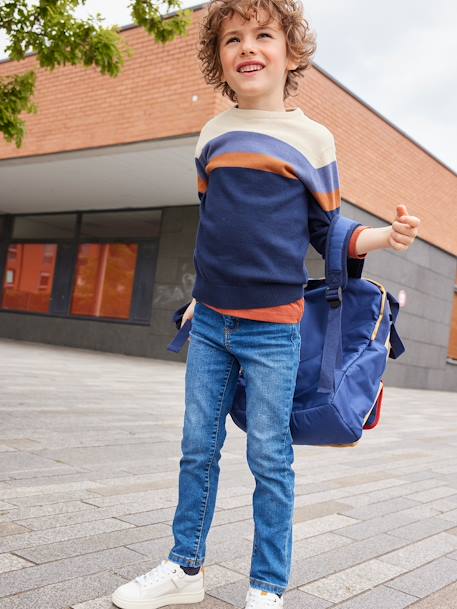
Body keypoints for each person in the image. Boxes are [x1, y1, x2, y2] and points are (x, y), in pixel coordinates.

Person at [112, 0, 420, 607]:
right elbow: (217, 226)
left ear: (291, 53)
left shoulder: (314, 138)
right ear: (219, 61)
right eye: (232, 39)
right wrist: (202, 295)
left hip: (275, 330)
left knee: (269, 457)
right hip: (210, 325)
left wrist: (384, 237)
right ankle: (185, 569)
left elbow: (326, 231)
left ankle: (267, 585)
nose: (247, 47)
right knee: (197, 448)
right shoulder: (213, 133)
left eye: (262, 35)